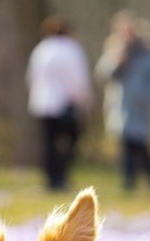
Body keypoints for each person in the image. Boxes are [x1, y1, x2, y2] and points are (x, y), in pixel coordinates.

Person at [96, 13, 150, 191]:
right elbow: (102, 74)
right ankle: (129, 182)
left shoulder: (147, 53)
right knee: (125, 144)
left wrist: (146, 97)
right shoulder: (113, 50)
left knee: (141, 144)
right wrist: (116, 63)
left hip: (140, 106)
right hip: (120, 107)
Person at [25, 15, 93, 191]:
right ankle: (61, 176)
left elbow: (31, 77)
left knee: (48, 143)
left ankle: (50, 178)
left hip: (42, 103)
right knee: (68, 141)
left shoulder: (40, 50)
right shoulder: (71, 49)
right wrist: (84, 99)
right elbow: (77, 80)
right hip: (64, 103)